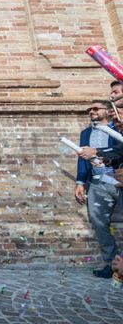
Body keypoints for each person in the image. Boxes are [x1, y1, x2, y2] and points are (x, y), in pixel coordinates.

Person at [75, 99, 123, 278]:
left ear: (109, 111)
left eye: (96, 108)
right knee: (99, 223)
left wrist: (97, 151)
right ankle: (111, 265)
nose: (92, 111)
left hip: (119, 181)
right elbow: (82, 158)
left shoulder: (118, 129)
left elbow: (120, 149)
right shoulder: (86, 133)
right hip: (97, 183)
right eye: (89, 109)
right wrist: (80, 182)